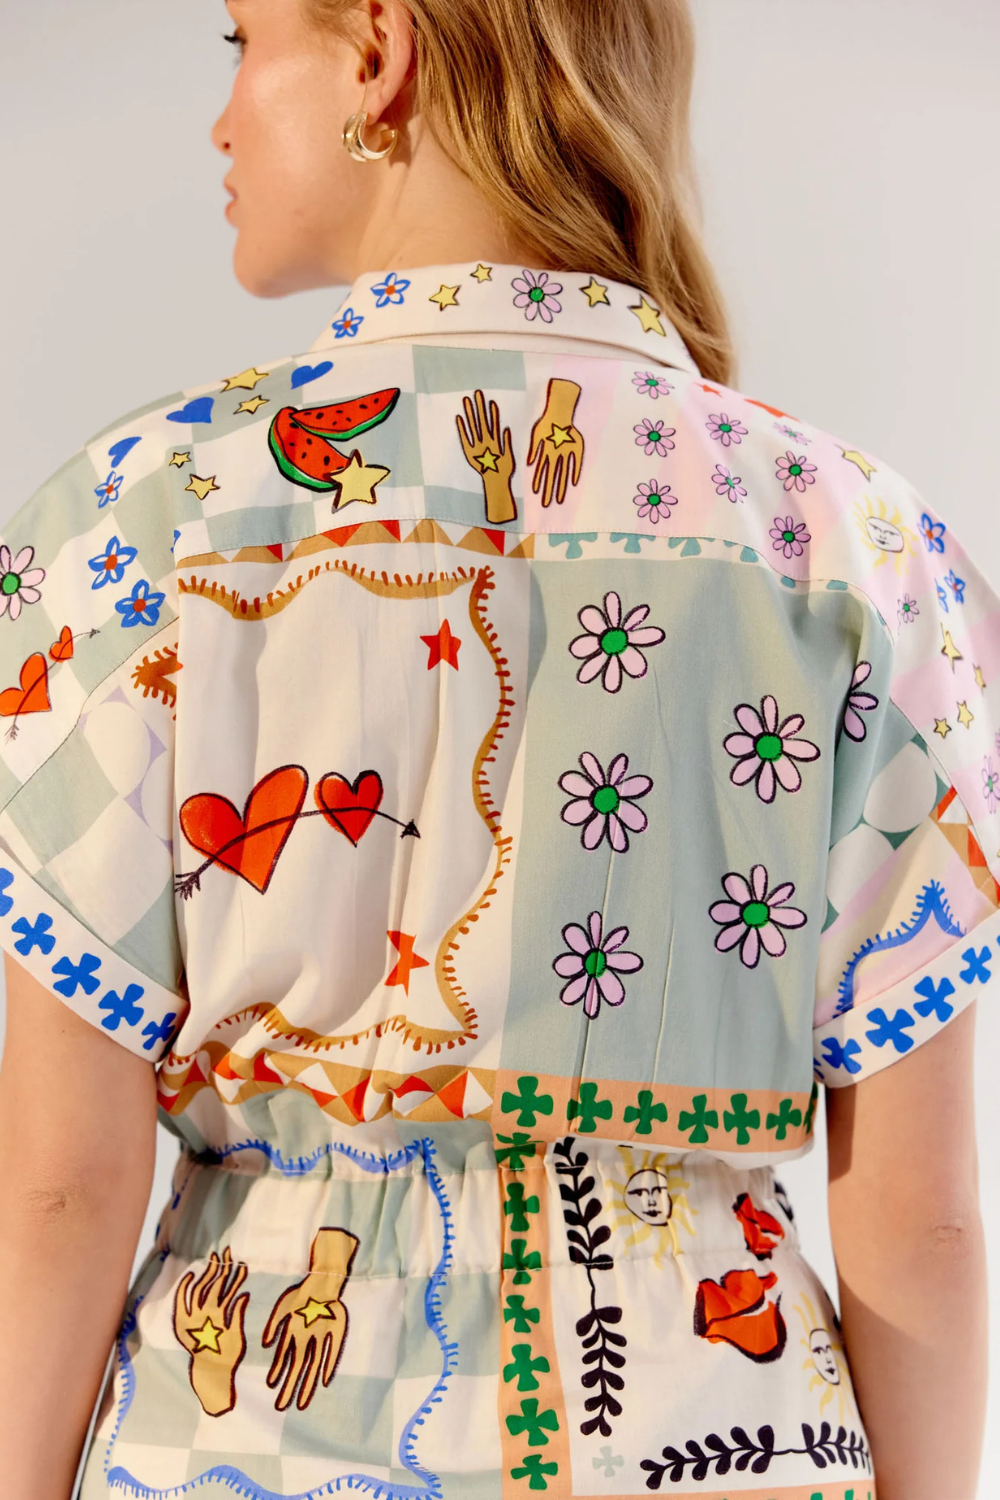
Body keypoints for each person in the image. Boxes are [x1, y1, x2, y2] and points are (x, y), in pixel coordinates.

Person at [0, 0, 989, 1496]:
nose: (222, 114)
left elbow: (62, 1193)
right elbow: (920, 1218)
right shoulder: (860, 551)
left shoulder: (139, 527)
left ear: (378, 51)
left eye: (242, 40)